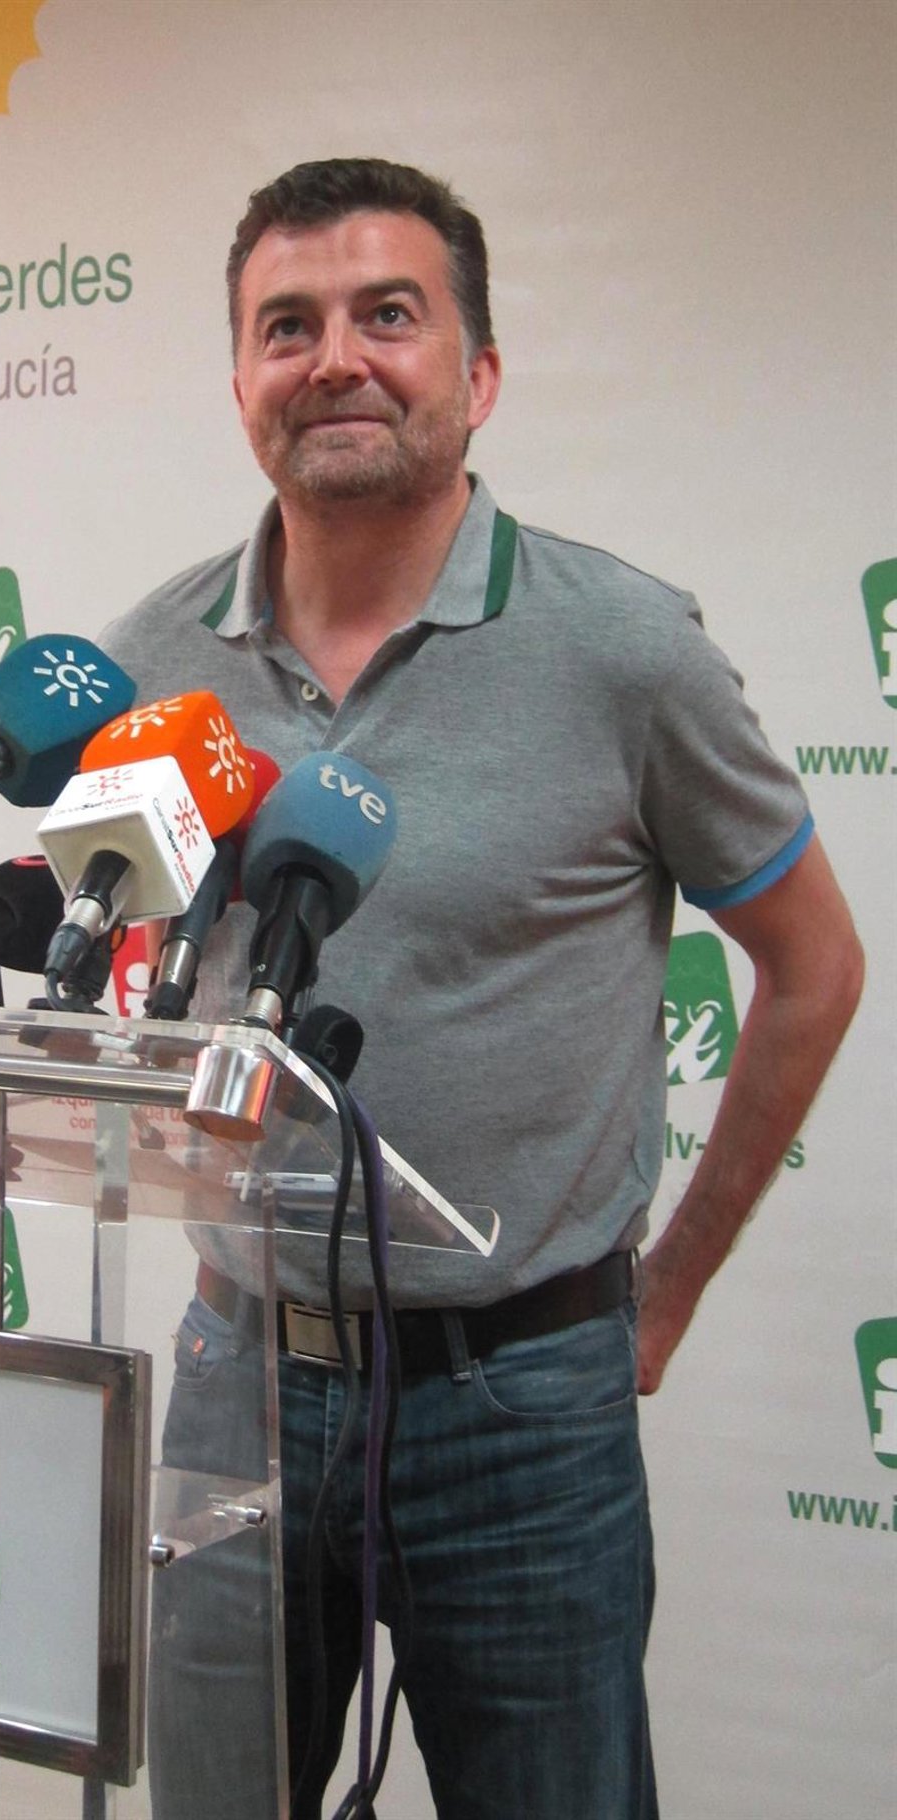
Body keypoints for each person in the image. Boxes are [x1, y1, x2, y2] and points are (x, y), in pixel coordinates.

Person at [101, 158, 863, 1819]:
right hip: (240, 1380)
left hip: (520, 1402)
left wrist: (668, 1288)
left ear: (480, 373)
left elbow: (814, 968)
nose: (335, 359)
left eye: (389, 315)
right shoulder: (155, 661)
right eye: (286, 327)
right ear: (240, 385)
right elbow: (122, 980)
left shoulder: (625, 651)